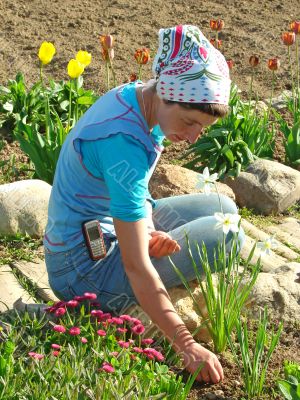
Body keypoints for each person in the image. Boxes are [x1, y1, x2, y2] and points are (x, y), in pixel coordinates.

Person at [44, 25, 245, 384]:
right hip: (81, 270)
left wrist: (148, 228)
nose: (193, 136)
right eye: (190, 122)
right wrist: (185, 344)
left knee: (224, 209)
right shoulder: (123, 143)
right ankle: (121, 305)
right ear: (167, 95)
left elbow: (134, 194)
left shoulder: (139, 98)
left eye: (203, 127)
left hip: (103, 230)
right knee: (227, 236)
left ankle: (142, 252)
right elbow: (135, 266)